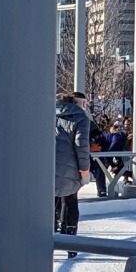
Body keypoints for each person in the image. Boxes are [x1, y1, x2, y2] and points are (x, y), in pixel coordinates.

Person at [55, 92, 92, 247]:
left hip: (45, 166)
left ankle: (47, 236)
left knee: (49, 201)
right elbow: (81, 146)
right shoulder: (80, 117)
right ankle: (70, 239)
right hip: (69, 168)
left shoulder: (47, 113)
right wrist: (85, 171)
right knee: (70, 200)